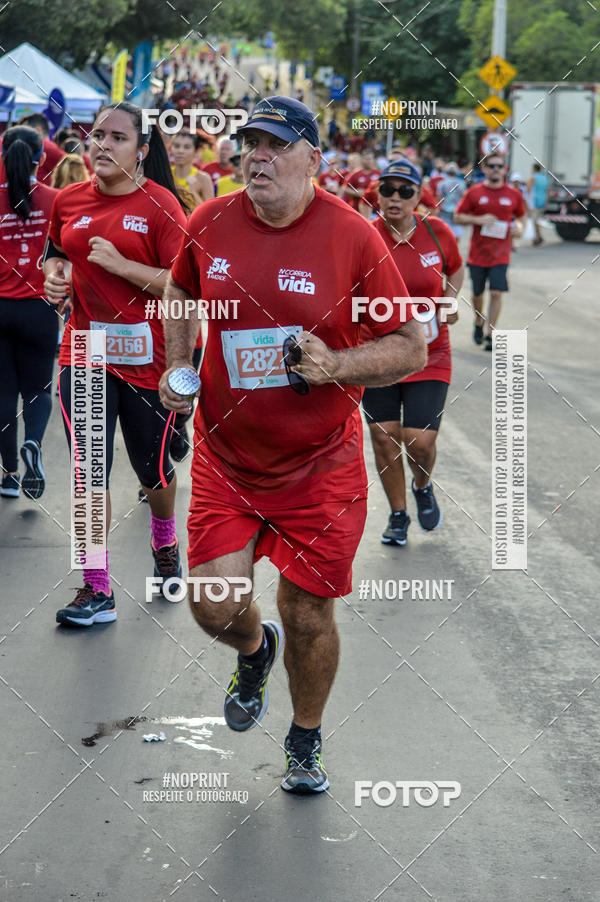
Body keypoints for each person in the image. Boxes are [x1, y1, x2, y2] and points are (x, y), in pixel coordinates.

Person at [159, 96, 426, 794]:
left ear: (314, 159)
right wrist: (179, 367)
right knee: (214, 603)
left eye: (276, 145)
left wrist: (337, 365)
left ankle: (304, 739)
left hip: (321, 465)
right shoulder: (209, 220)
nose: (257, 155)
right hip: (229, 458)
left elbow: (408, 346)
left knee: (307, 612)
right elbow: (180, 291)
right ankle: (253, 653)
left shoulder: (354, 237)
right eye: (250, 142)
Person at [43, 101, 188, 627]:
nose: (100, 144)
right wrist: (56, 275)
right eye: (96, 134)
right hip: (84, 351)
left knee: (150, 470)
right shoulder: (68, 199)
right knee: (88, 474)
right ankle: (96, 585)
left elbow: (185, 289)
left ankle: (165, 542)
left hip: (146, 358)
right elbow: (56, 251)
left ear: (142, 151)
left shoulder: (164, 206)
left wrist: (122, 265)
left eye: (117, 137)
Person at [362, 159, 463, 544]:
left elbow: (456, 268)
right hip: (378, 355)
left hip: (430, 354)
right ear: (377, 195)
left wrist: (450, 301)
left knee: (419, 439)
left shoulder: (436, 232)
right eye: (387, 189)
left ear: (419, 196)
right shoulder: (366, 235)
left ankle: (422, 484)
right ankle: (398, 515)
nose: (395, 197)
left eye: (405, 190)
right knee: (384, 437)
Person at [0, 126, 59, 499]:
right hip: (39, 308)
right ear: (42, 158)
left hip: (0, 307)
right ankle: (34, 442)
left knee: (3, 393)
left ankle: (9, 476)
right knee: (37, 389)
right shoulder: (56, 200)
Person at [454, 154, 526, 351]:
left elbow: (521, 216)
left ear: (505, 169)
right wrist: (479, 220)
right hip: (478, 254)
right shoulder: (475, 193)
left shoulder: (513, 194)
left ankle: (490, 333)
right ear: (484, 168)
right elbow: (458, 216)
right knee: (478, 294)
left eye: (499, 166)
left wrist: (519, 228)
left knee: (496, 292)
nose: (495, 169)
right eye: (491, 166)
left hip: (501, 255)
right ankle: (478, 320)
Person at [170, 131, 214, 208]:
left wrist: (193, 192)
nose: (180, 151)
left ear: (196, 152)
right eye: (177, 146)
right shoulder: (166, 174)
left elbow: (210, 213)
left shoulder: (203, 178)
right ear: (171, 149)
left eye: (187, 147)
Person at [18, 113, 65, 185]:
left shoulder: (45, 146)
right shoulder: (47, 147)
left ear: (38, 129)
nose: (21, 135)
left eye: (25, 131)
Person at [437, 162, 466, 239]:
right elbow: (464, 198)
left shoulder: (441, 183)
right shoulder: (462, 183)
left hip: (445, 211)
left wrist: (438, 209)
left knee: (445, 235)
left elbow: (439, 198)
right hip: (457, 211)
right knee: (457, 236)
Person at [526, 162, 549, 246]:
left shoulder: (533, 178)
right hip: (542, 201)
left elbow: (528, 190)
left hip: (534, 202)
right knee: (537, 220)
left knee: (534, 221)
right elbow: (548, 191)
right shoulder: (545, 178)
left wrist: (525, 202)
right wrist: (546, 202)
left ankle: (538, 237)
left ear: (534, 169)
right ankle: (538, 237)